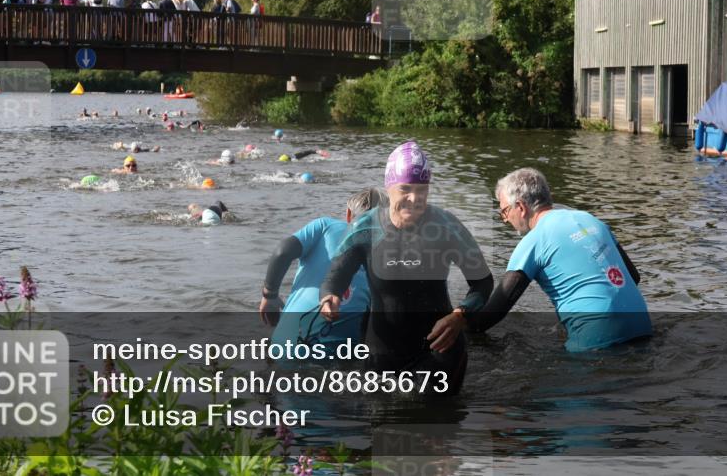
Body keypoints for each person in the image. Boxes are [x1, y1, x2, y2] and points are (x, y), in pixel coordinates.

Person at [320, 141, 493, 394]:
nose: (414, 198)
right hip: (380, 353)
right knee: (379, 424)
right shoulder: (365, 228)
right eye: (405, 189)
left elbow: (483, 282)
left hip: (439, 351)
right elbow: (335, 277)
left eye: (422, 190)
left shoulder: (446, 226)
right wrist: (329, 298)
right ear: (389, 188)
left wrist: (460, 316)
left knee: (435, 422)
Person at [429, 168, 652, 354]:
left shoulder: (533, 242)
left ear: (521, 208)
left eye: (504, 211)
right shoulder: (590, 219)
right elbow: (633, 277)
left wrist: (457, 322)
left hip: (596, 341)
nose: (506, 220)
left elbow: (492, 315)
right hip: (643, 328)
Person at [262, 188, 384, 352]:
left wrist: (269, 295)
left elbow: (282, 251)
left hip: (290, 344)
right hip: (344, 354)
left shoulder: (325, 226)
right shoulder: (388, 250)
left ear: (349, 214)